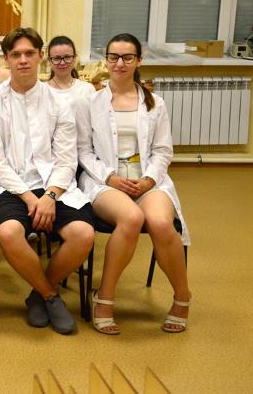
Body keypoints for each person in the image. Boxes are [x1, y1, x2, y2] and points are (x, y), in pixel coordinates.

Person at [0, 27, 94, 335]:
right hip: (7, 185)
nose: (23, 60)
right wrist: (30, 198)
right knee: (9, 232)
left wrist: (50, 196)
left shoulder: (60, 102)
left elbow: (67, 158)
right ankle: (50, 296)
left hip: (54, 184)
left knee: (83, 234)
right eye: (16, 55)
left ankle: (38, 294)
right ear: (6, 59)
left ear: (41, 57)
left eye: (30, 53)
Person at [76, 33, 191, 335]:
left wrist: (149, 179)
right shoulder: (90, 102)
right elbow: (83, 151)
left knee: (161, 223)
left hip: (147, 178)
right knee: (131, 218)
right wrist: (110, 177)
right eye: (113, 57)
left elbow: (163, 150)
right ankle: (105, 297)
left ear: (139, 60)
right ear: (106, 60)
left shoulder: (155, 103)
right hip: (105, 179)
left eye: (127, 57)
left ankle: (182, 297)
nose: (120, 63)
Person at [46, 35, 95, 102]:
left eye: (67, 57)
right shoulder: (42, 91)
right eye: (57, 58)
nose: (62, 62)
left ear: (74, 58)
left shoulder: (87, 89)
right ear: (49, 60)